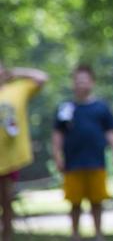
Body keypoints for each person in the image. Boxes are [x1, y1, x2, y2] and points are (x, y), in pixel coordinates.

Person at [52, 64, 113, 241]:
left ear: (92, 82)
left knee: (97, 201)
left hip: (96, 162)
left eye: (84, 80)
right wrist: (57, 155)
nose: (81, 84)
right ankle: (75, 234)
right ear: (73, 83)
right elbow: (57, 134)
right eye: (77, 81)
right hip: (72, 163)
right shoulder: (65, 108)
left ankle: (99, 234)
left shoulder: (101, 107)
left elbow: (111, 131)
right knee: (74, 202)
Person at [0, 62, 48, 241]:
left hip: (11, 157)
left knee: (7, 200)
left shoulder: (17, 89)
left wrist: (16, 72)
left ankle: (7, 236)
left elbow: (42, 77)